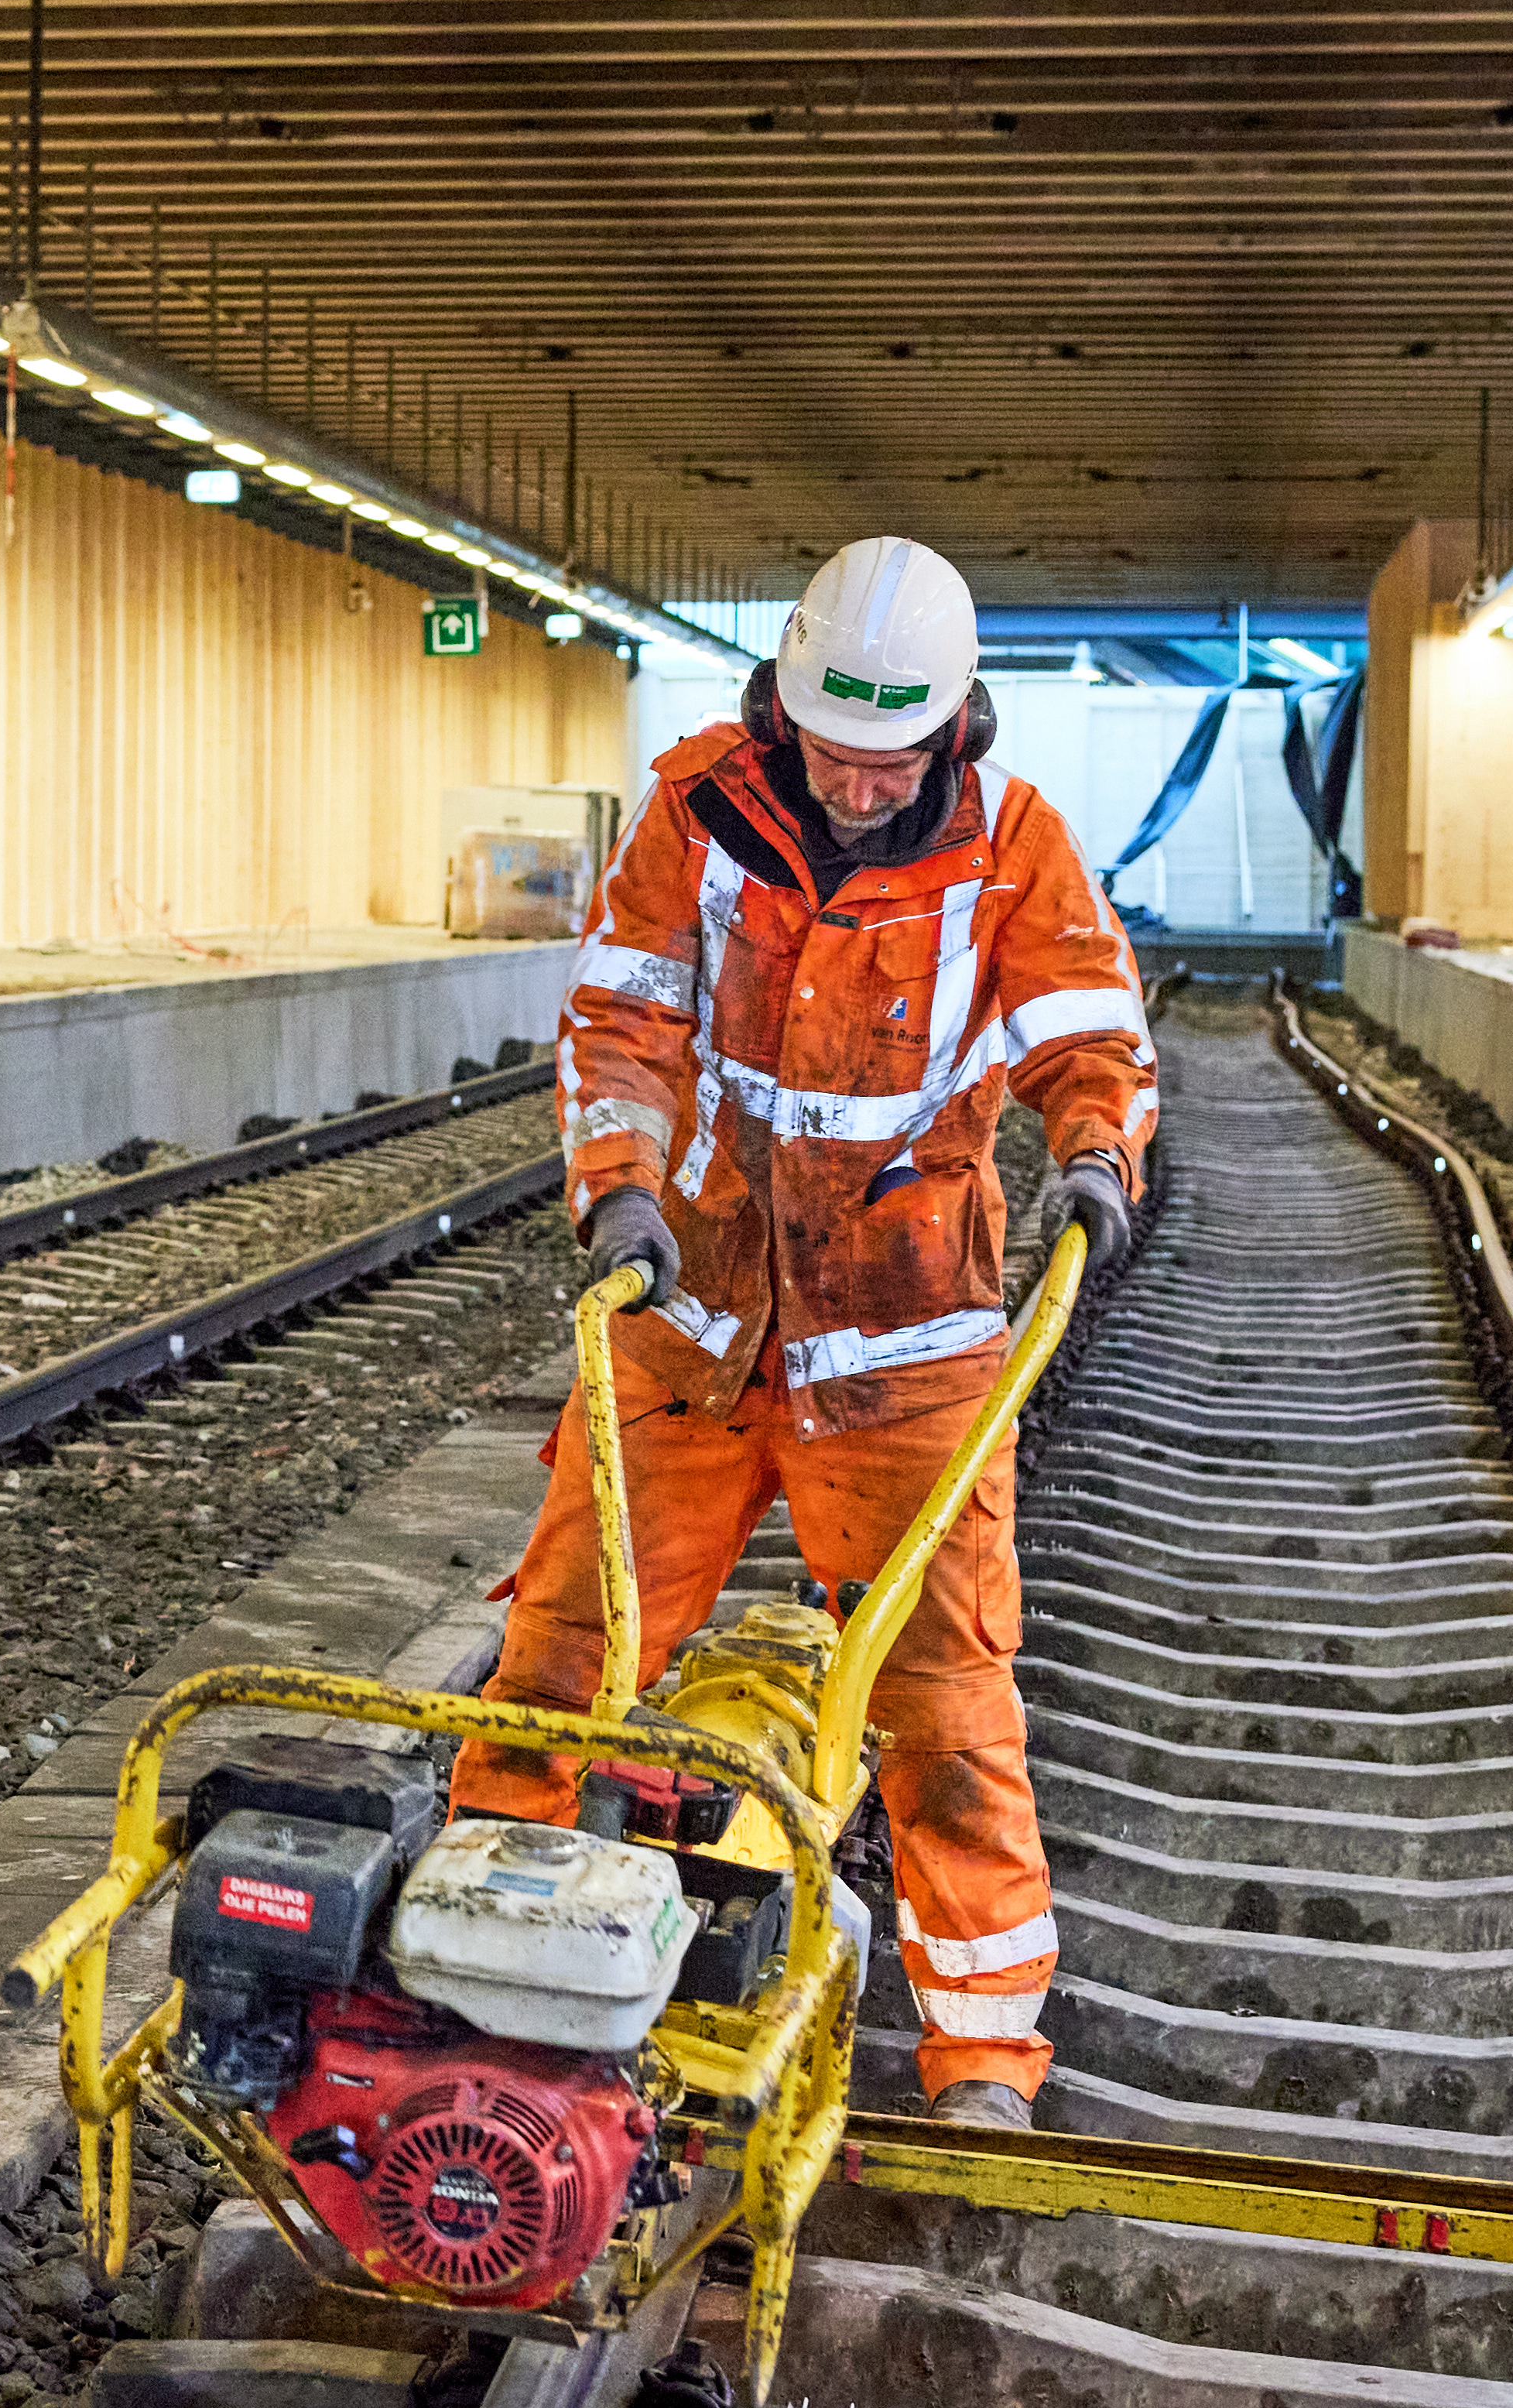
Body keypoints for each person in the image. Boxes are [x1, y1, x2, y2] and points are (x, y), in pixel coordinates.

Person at [454, 536, 1153, 2126]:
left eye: (882, 758)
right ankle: (485, 1967)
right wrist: (618, 1186)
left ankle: (980, 2058)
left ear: (948, 730)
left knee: (944, 1708)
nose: (849, 786)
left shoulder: (1008, 848)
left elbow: (1081, 1031)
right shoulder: (697, 808)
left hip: (904, 1356)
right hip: (688, 1326)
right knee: (559, 1654)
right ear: (781, 707)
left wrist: (1095, 1156)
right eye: (827, 751)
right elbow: (619, 1015)